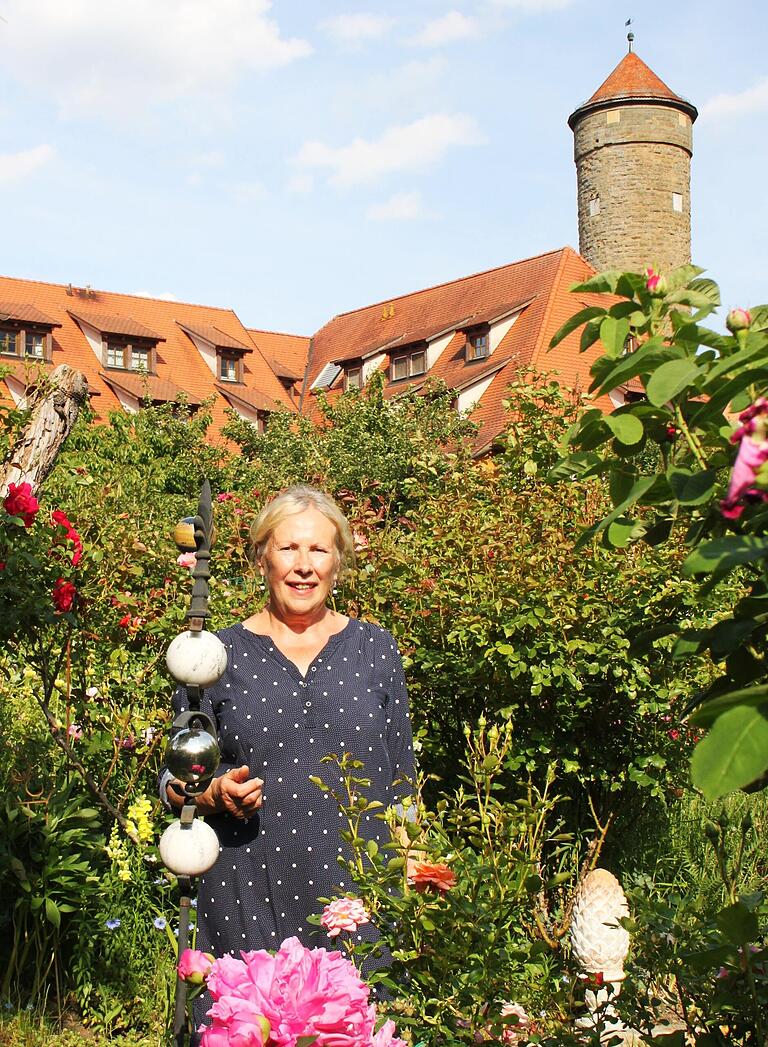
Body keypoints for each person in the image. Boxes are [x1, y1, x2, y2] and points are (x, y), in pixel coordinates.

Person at [161, 485, 414, 1025]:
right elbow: (171, 779)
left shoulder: (375, 649)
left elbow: (402, 780)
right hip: (249, 888)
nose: (304, 567)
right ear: (261, 557)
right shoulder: (213, 657)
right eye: (288, 549)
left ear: (339, 561)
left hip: (358, 894)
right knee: (251, 1029)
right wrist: (211, 791)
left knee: (354, 1028)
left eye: (319, 550)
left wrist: (416, 864)